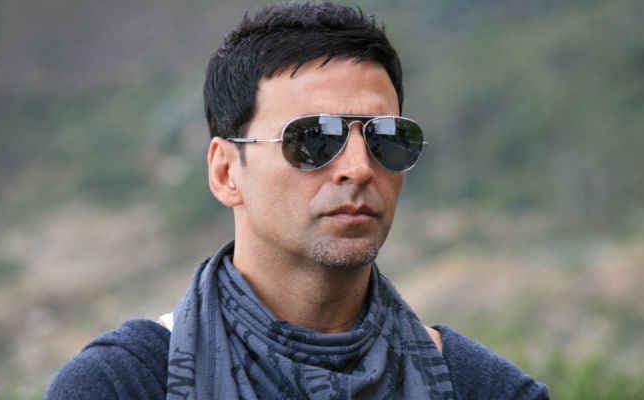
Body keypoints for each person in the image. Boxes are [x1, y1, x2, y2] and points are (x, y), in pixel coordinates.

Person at [45, 2, 549, 399]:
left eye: (385, 138)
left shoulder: (485, 389)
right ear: (226, 172)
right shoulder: (121, 385)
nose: (358, 167)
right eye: (314, 138)